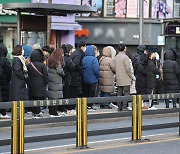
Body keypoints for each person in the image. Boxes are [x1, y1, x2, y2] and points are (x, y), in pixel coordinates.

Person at [27, 49, 48, 118]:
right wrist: (46, 82)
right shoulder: (42, 65)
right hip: (40, 85)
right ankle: (38, 112)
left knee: (33, 99)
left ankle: (33, 112)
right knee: (39, 100)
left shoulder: (29, 65)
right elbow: (45, 76)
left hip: (31, 84)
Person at [114, 42, 133, 111]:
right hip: (125, 78)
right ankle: (125, 106)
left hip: (118, 77)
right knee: (126, 92)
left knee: (119, 92)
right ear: (124, 49)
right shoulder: (125, 57)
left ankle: (119, 106)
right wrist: (131, 76)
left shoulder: (116, 57)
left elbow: (114, 67)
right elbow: (128, 68)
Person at [48, 48, 65, 117]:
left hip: (51, 80)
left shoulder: (50, 59)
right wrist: (64, 74)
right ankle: (54, 112)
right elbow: (60, 71)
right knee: (56, 97)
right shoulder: (58, 61)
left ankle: (51, 111)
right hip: (56, 80)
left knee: (52, 96)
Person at [0, 44, 12, 119]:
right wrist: (8, 80)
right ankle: (3, 113)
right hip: (4, 82)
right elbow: (9, 72)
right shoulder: (5, 60)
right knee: (4, 97)